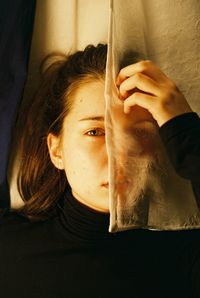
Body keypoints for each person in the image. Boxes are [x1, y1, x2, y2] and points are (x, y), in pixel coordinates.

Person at [0, 43, 200, 298]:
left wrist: (185, 129)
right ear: (56, 149)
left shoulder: (184, 260)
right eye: (94, 132)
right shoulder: (6, 244)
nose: (120, 152)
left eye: (140, 132)